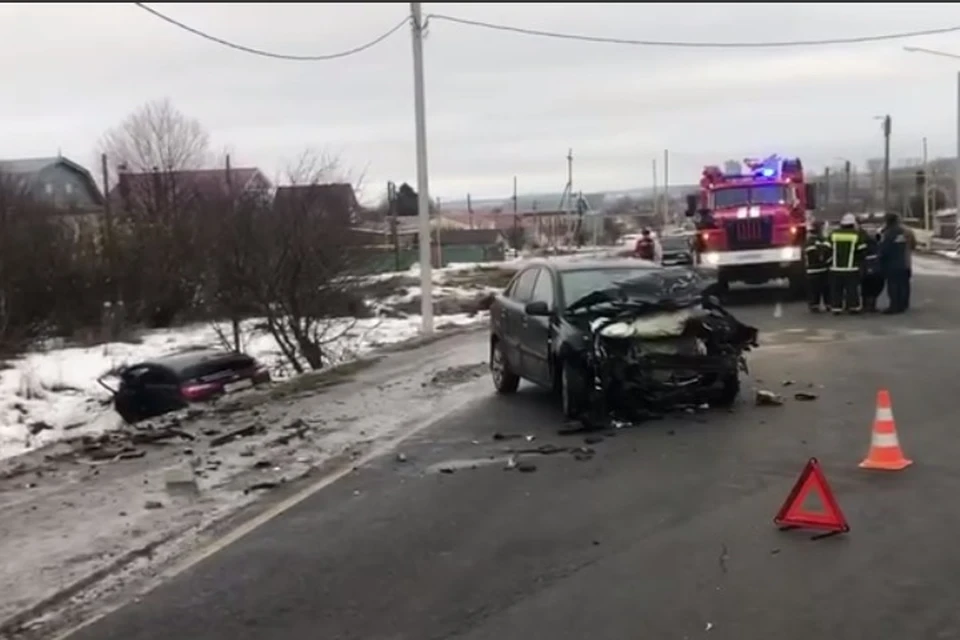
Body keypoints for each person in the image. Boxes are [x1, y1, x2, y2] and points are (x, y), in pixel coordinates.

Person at [828, 213, 868, 315]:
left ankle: (836, 308)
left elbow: (827, 248)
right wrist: (859, 262)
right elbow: (862, 250)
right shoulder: (856, 235)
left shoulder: (834, 234)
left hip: (836, 268)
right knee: (851, 289)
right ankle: (853, 307)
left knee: (837, 289)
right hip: (851, 268)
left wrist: (829, 260)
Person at [878, 213, 910, 314]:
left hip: (892, 263)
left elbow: (884, 249)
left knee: (893, 286)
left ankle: (894, 306)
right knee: (903, 285)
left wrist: (879, 257)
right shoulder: (902, 232)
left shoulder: (888, 233)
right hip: (903, 262)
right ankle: (902, 305)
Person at [803, 220, 832, 312]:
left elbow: (828, 252)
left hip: (817, 270)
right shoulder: (811, 242)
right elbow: (818, 254)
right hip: (816, 270)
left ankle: (819, 304)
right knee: (819, 288)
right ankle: (817, 305)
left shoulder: (814, 241)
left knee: (819, 289)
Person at [860, 226, 884, 313]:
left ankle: (865, 305)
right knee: (875, 288)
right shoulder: (878, 244)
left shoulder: (863, 243)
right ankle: (872, 305)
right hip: (876, 269)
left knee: (865, 287)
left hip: (865, 269)